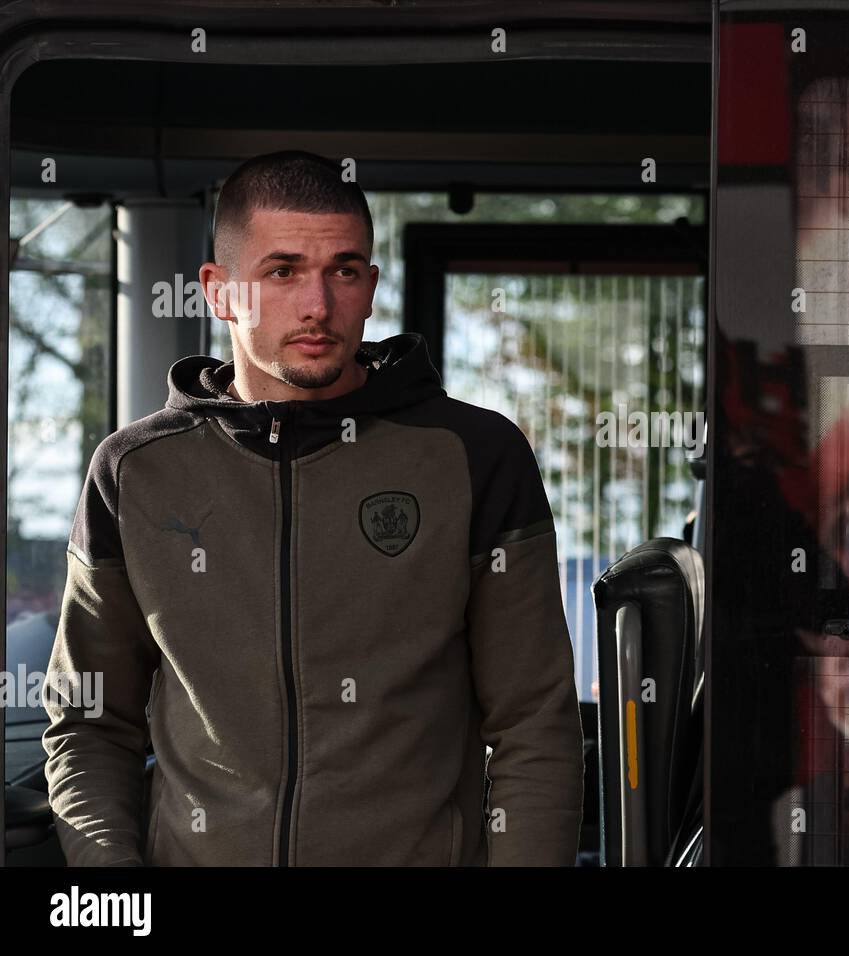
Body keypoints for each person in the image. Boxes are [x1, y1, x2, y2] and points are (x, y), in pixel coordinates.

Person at [41, 150, 585, 866]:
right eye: (282, 271)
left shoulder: (474, 455)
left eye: (345, 271)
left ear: (371, 285)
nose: (318, 306)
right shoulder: (135, 471)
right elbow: (88, 722)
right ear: (218, 290)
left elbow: (534, 725)